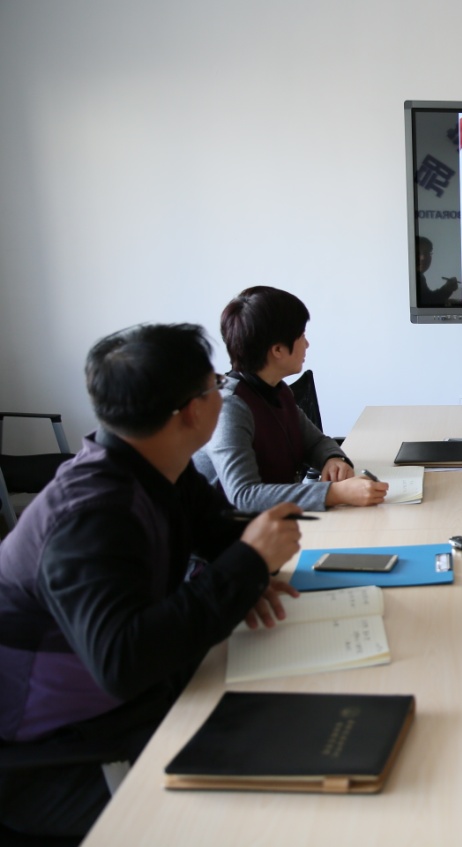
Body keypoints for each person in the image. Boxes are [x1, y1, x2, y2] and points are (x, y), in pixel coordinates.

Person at [0, 323, 301, 837]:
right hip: (54, 752)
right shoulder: (91, 515)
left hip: (128, 702)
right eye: (216, 386)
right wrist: (246, 566)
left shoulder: (157, 467)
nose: (224, 394)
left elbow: (220, 539)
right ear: (191, 412)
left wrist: (248, 568)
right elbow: (123, 662)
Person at [194, 287, 388, 512]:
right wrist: (335, 493)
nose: (307, 344)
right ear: (277, 350)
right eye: (302, 336)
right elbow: (244, 495)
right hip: (231, 530)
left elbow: (315, 442)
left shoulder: (277, 390)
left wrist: (333, 459)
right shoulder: (229, 407)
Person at [415, 236, 459, 306]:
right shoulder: (410, 278)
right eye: (418, 253)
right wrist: (446, 289)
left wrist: (447, 289)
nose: (423, 258)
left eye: (427, 253)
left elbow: (428, 300)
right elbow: (428, 303)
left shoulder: (419, 277)